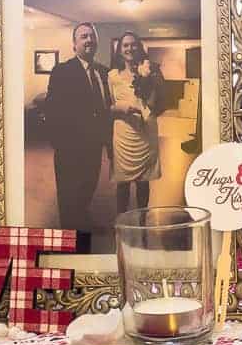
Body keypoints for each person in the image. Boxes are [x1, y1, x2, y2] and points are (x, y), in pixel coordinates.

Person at [44, 22, 111, 231]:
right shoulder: (62, 71)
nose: (89, 40)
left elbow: (105, 109)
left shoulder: (103, 72)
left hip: (94, 147)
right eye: (83, 36)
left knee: (87, 190)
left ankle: (83, 222)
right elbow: (52, 110)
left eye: (92, 36)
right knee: (68, 197)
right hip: (69, 150)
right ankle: (70, 241)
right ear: (74, 44)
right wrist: (59, 144)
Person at [108, 31, 164, 214]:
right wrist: (123, 108)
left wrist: (149, 82)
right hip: (123, 132)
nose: (129, 48)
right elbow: (108, 105)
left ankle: (142, 219)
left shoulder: (151, 71)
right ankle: (122, 220)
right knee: (122, 182)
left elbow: (157, 102)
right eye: (125, 45)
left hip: (145, 131)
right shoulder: (112, 76)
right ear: (120, 50)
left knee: (143, 181)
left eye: (133, 45)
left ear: (139, 48)